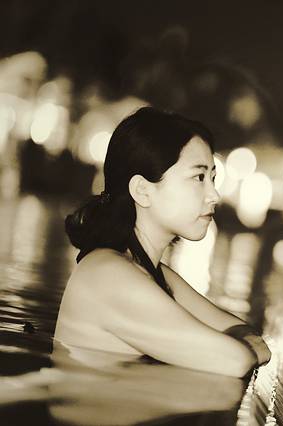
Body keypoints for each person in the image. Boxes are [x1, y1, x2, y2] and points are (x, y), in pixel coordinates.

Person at [55, 106, 271, 377]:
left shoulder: (151, 273)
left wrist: (245, 347)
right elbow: (236, 360)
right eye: (199, 177)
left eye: (213, 178)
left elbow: (250, 338)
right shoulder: (111, 276)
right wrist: (244, 348)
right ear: (142, 190)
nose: (214, 195)